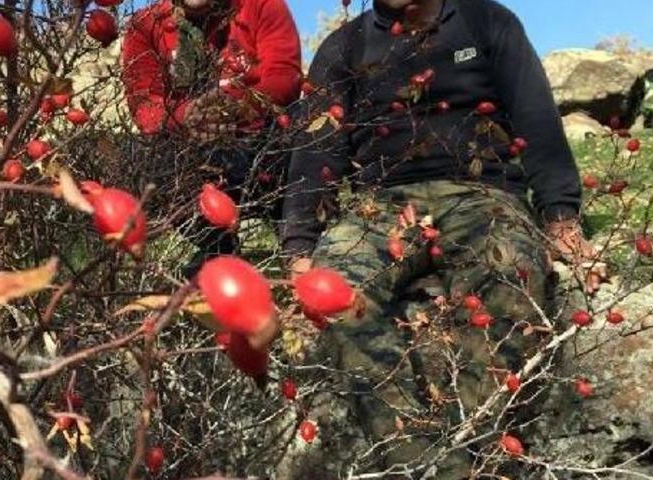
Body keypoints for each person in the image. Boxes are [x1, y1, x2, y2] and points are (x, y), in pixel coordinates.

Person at [278, 0, 594, 477]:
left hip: (484, 194)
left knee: (510, 270)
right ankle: (428, 466)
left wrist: (561, 217)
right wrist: (299, 248)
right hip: (382, 204)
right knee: (335, 294)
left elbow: (537, 118)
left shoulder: (488, 21)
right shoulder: (342, 48)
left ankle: (479, 451)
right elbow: (314, 152)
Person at [120, 0, 302, 271]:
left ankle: (298, 242)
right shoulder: (145, 25)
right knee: (137, 158)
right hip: (190, 146)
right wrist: (187, 116)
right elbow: (145, 104)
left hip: (259, 140)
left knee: (303, 131)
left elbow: (284, 78)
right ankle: (217, 248)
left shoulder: (262, 5)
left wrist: (232, 109)